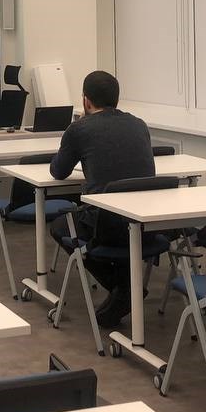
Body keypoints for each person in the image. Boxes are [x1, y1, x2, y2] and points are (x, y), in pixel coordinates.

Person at [48, 70, 155, 328]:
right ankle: (126, 287)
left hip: (108, 226)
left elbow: (58, 171)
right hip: (146, 223)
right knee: (110, 224)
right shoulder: (139, 124)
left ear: (86, 101)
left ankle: (123, 286)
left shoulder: (79, 129)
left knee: (61, 226)